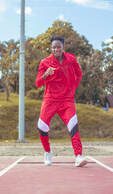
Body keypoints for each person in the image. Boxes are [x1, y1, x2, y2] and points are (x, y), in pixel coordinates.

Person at [35, 36, 87, 167]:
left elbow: (79, 73)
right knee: (42, 127)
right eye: (53, 47)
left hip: (66, 101)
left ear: (63, 47)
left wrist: (72, 89)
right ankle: (47, 152)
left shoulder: (71, 59)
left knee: (73, 127)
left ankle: (78, 156)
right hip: (50, 100)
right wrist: (45, 74)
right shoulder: (45, 62)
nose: (56, 49)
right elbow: (37, 83)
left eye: (58, 46)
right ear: (51, 48)